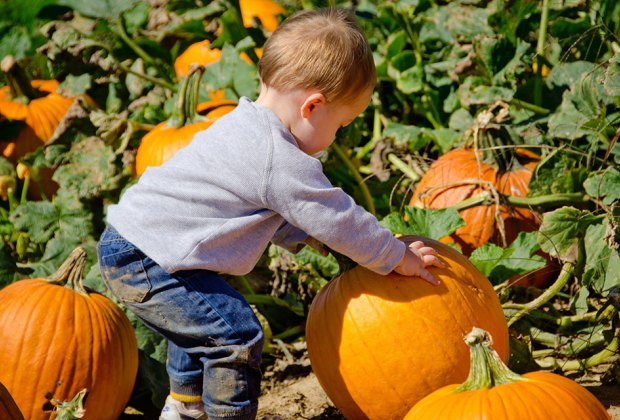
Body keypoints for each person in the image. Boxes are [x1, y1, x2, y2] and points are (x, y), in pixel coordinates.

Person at [97, 7, 443, 420]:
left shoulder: (244, 125)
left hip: (137, 247)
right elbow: (333, 215)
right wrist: (393, 255)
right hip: (149, 258)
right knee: (236, 335)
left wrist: (304, 236)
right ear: (312, 107)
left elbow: (260, 211)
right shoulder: (277, 157)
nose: (338, 136)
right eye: (342, 124)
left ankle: (186, 410)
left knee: (202, 322)